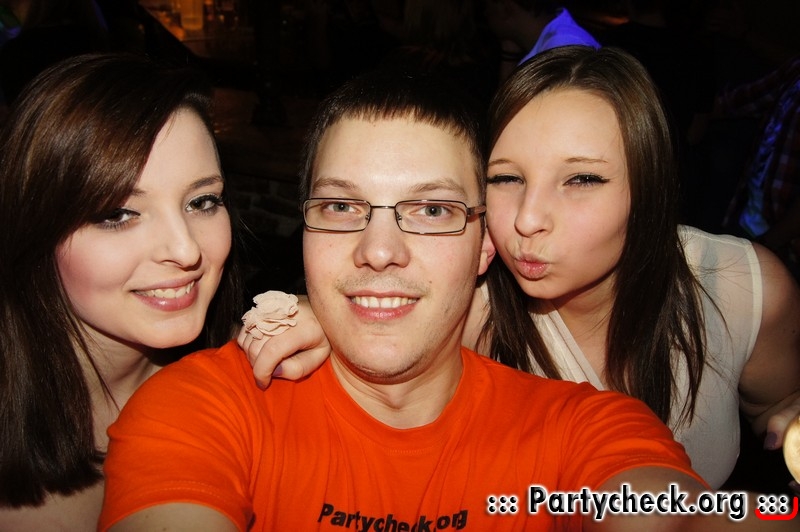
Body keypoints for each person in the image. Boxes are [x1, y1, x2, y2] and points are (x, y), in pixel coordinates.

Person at [100, 67, 781, 531]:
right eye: (341, 206)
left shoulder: (587, 425)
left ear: (483, 248)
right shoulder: (202, 409)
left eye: (431, 211)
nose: (379, 250)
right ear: (302, 233)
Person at [0, 52, 318, 530]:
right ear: (34, 225)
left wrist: (335, 326)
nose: (185, 250)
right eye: (118, 213)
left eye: (202, 201)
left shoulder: (255, 368)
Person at [471, 45, 800, 490]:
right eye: (506, 178)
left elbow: (773, 407)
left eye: (582, 179)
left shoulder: (744, 289)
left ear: (649, 185)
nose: (527, 219)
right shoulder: (463, 316)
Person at [484, 0, 600, 81]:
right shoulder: (556, 39)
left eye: (486, 7)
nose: (485, 14)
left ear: (504, 8)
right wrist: (509, 52)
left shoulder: (562, 48)